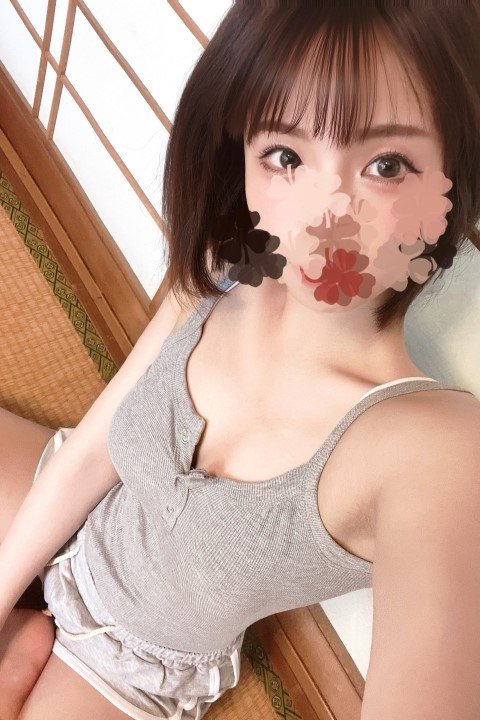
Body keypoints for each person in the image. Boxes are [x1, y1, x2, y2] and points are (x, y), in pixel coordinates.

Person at [1, 2, 479, 719]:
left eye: (386, 165)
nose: (324, 219)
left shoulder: (435, 450)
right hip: (81, 518)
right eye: (285, 155)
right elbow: (90, 454)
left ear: (453, 184)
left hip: (126, 669)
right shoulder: (229, 265)